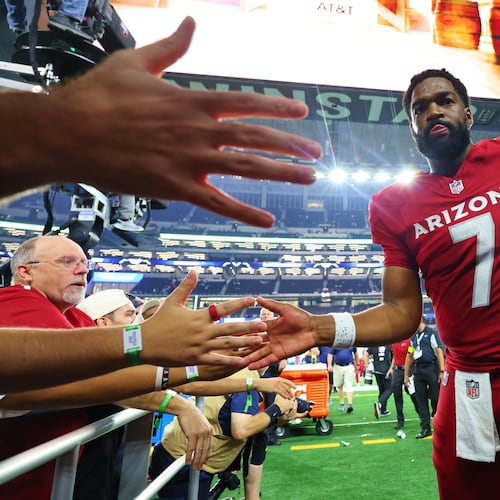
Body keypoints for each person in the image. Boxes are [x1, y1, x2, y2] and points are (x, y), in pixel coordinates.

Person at [247, 69, 500, 499]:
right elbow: (401, 312)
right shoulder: (392, 205)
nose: (432, 111)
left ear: (469, 114)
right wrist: (317, 329)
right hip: (469, 382)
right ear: (413, 130)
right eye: (419, 109)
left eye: (444, 100)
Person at [148, 368, 298, 500]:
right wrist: (277, 409)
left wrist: (277, 416)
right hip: (186, 461)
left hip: (178, 453)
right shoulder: (248, 376)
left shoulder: (241, 373)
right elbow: (241, 429)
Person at [404, 317, 445, 439]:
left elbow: (438, 350)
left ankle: (439, 425)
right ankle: (425, 428)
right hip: (418, 369)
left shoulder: (431, 333)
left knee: (435, 397)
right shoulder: (414, 337)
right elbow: (409, 355)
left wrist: (442, 370)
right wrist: (406, 375)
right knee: (420, 399)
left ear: (420, 321)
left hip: (431, 368)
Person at [388, 338, 419, 430]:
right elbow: (394, 356)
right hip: (397, 371)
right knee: (397, 396)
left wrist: (412, 371)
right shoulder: (393, 343)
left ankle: (421, 415)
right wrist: (391, 368)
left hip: (408, 370)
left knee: (413, 395)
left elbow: (411, 355)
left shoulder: (409, 342)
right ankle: (400, 420)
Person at [365, 345, 392, 418]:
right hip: (386, 369)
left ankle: (383, 410)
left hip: (376, 370)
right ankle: (379, 404)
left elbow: (366, 353)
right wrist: (391, 368)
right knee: (389, 389)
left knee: (382, 390)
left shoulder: (375, 344)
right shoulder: (389, 344)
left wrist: (367, 365)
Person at [332, 347, 358, 413]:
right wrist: (330, 365)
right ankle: (342, 404)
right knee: (339, 386)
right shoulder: (336, 344)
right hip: (337, 366)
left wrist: (357, 364)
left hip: (349, 366)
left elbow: (356, 353)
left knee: (348, 385)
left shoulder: (351, 344)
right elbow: (330, 354)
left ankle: (350, 404)